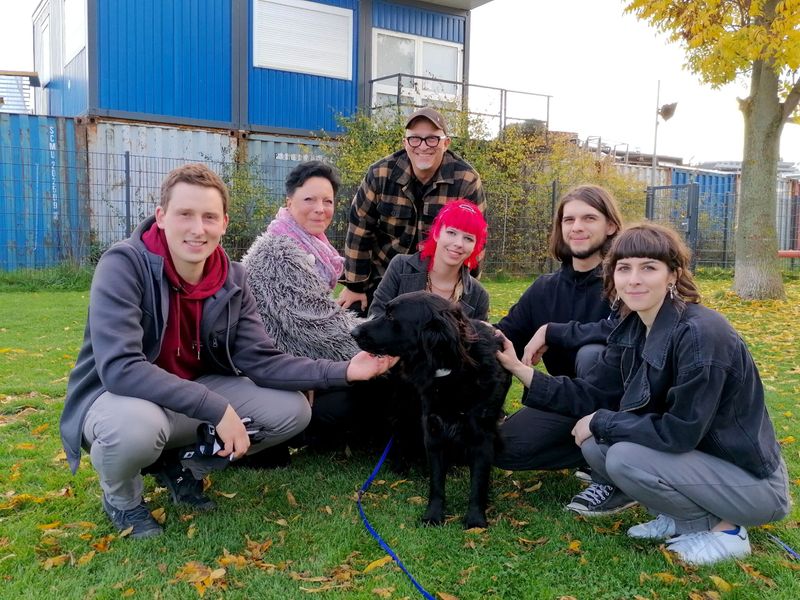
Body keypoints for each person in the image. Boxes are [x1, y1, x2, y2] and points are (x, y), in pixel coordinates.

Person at [60, 164, 396, 539]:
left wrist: (346, 371)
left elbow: (260, 360)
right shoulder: (124, 265)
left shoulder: (233, 279)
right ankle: (123, 501)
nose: (197, 228)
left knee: (292, 410)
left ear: (224, 222)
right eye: (185, 214)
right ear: (161, 217)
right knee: (136, 428)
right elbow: (121, 368)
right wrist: (216, 408)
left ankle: (186, 468)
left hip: (189, 393)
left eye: (208, 217)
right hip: (122, 398)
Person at [496, 223, 790, 565]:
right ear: (613, 277)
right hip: (699, 467)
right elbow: (592, 394)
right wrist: (521, 370)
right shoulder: (635, 326)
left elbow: (680, 432)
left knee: (622, 456)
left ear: (672, 275)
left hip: (752, 484)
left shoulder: (701, 335)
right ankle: (677, 516)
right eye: (624, 268)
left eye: (648, 267)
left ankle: (723, 531)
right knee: (597, 446)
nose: (634, 279)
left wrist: (603, 421)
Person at [494, 185, 627, 513]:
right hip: (567, 400)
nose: (577, 226)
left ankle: (609, 473)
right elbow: (503, 335)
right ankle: (587, 450)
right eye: (569, 219)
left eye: (588, 218)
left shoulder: (624, 280)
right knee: (503, 447)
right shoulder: (545, 288)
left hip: (620, 406)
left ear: (610, 226)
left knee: (591, 353)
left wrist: (553, 331)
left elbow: (623, 331)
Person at [241, 161, 365, 446]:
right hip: (265, 373)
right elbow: (319, 328)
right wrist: (380, 347)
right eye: (309, 199)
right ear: (289, 201)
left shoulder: (308, 245)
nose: (320, 208)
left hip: (286, 363)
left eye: (328, 201)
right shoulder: (279, 251)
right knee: (356, 397)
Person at [337, 107, 485, 316]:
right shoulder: (381, 173)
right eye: (415, 139)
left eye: (432, 139)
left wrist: (466, 292)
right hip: (381, 278)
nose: (423, 146)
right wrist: (355, 285)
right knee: (356, 331)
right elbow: (359, 228)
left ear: (446, 143)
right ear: (405, 143)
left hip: (433, 287)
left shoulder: (466, 180)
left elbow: (476, 239)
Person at [369, 199, 489, 320]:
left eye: (468, 238)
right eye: (451, 232)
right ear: (436, 233)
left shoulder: (478, 296)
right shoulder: (400, 267)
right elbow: (375, 318)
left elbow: (478, 337)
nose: (459, 243)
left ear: (475, 246)